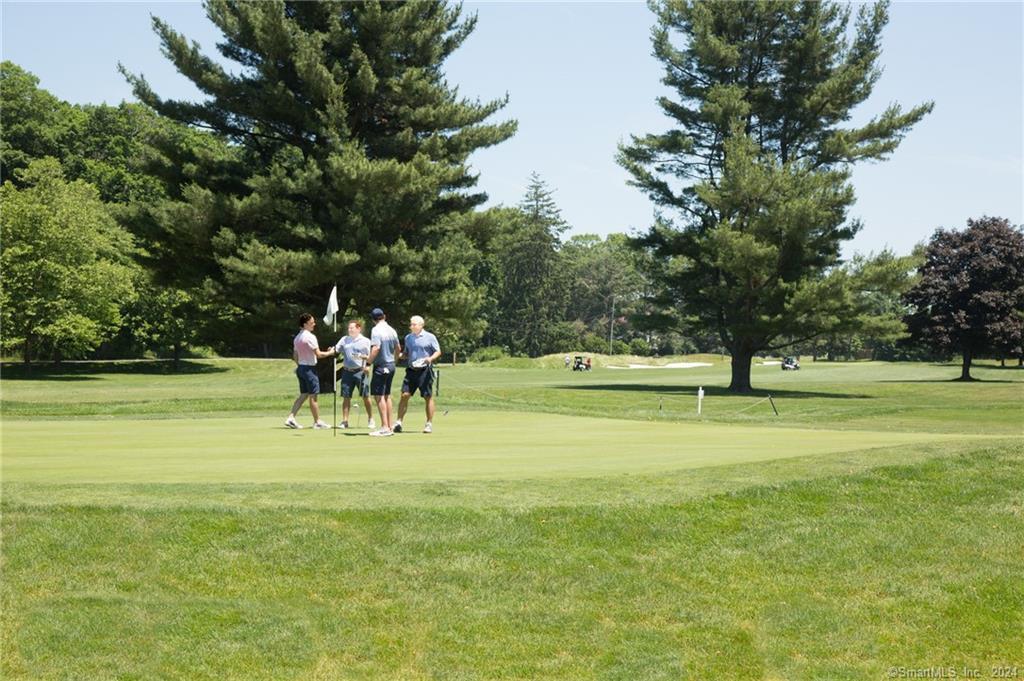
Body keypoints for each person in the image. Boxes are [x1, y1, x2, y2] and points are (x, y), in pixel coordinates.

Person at [285, 312, 336, 429]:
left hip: (301, 368)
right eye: (311, 322)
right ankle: (317, 422)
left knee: (304, 394)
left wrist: (300, 366)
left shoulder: (297, 338)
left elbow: (295, 355)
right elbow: (319, 354)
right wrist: (331, 352)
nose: (314, 324)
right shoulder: (310, 337)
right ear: (305, 324)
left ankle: (291, 417)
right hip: (309, 369)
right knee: (313, 396)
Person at [394, 315, 441, 434]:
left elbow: (437, 351)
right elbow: (406, 353)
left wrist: (430, 358)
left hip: (425, 370)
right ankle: (398, 422)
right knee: (404, 395)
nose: (411, 326)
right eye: (411, 324)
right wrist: (399, 355)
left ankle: (429, 423)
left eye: (414, 324)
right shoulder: (408, 338)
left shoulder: (430, 337)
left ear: (421, 325)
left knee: (427, 396)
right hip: (411, 370)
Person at [333, 319, 376, 430]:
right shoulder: (345, 339)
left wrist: (366, 364)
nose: (349, 330)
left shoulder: (366, 341)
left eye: (352, 328)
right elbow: (336, 349)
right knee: (346, 397)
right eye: (349, 328)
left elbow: (371, 356)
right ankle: (345, 421)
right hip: (347, 372)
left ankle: (371, 419)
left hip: (361, 371)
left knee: (365, 396)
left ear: (358, 328)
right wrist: (330, 351)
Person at [365, 307, 401, 437]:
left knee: (379, 396)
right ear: (384, 316)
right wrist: (394, 361)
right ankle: (389, 426)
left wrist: (368, 363)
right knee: (386, 395)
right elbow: (398, 348)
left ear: (373, 319)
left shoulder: (376, 330)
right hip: (391, 365)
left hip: (381, 366)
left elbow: (376, 348)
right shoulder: (391, 329)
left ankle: (385, 427)